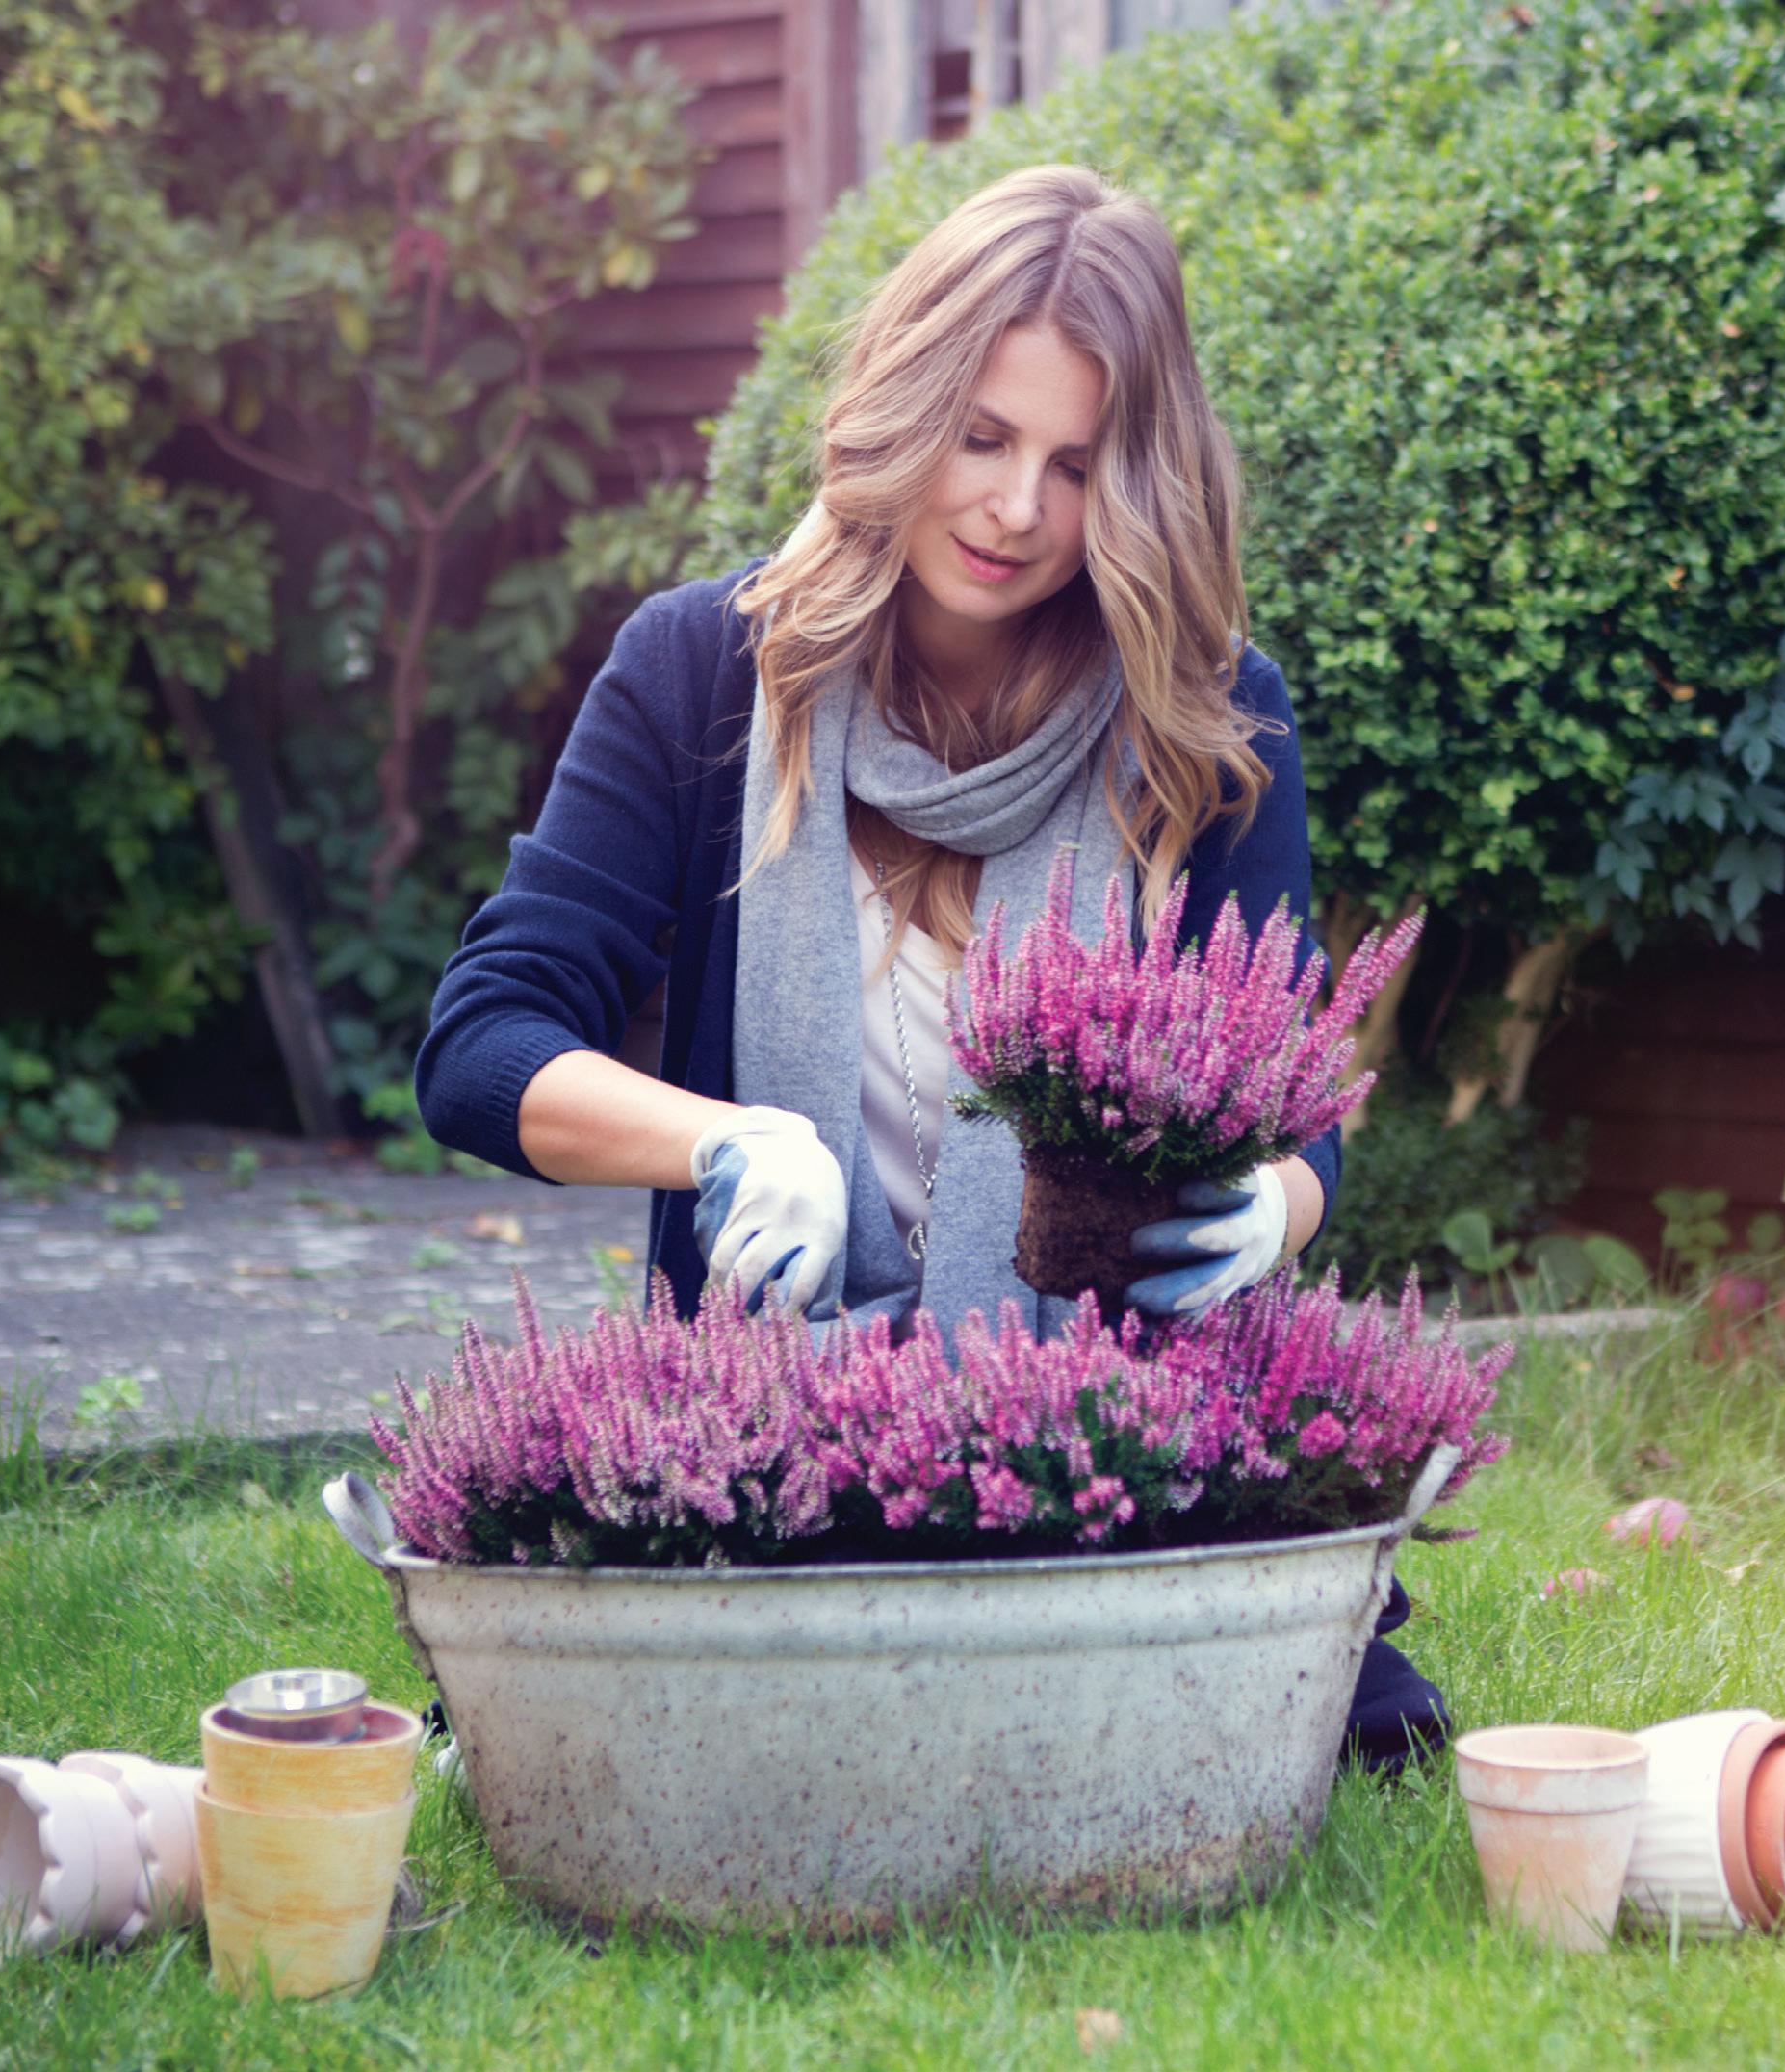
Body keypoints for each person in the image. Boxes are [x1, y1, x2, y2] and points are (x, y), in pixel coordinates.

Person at [414, 162, 1448, 1774]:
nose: (1017, 508)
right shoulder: (703, 674)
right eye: (981, 436)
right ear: (905, 408)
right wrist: (726, 1142)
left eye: (1076, 465)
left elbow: (1297, 1119)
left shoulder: (1206, 716)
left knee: (1343, 1725)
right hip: (771, 1427)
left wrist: (1269, 1208)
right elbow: (482, 1045)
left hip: (1094, 1438)